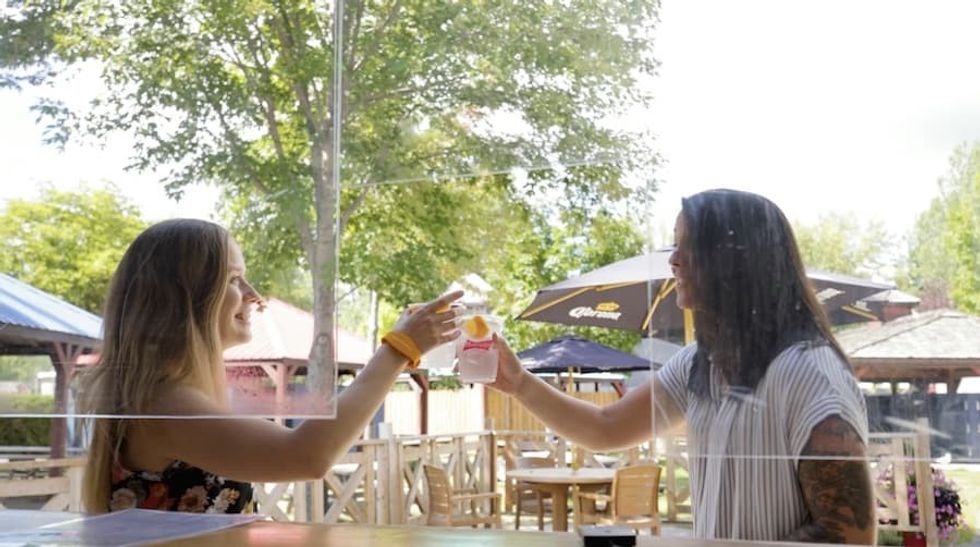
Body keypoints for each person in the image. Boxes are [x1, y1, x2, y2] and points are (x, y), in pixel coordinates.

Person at [491, 189, 874, 544]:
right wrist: (519, 383)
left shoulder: (810, 373)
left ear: (737, 260)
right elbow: (605, 428)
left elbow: (849, 538)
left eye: (690, 247)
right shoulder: (698, 363)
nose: (673, 260)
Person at [79, 218, 463, 513]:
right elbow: (306, 455)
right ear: (185, 298)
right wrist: (398, 350)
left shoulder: (163, 399)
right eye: (234, 279)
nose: (254, 296)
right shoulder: (166, 405)